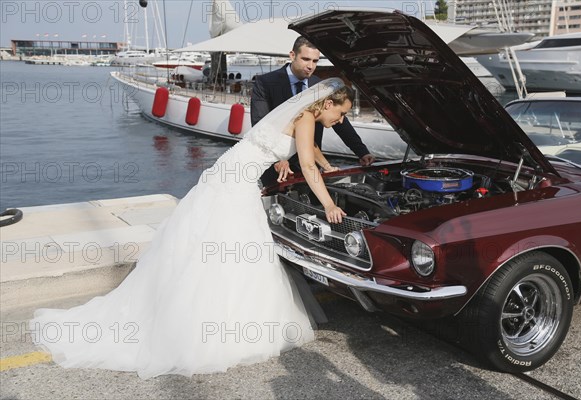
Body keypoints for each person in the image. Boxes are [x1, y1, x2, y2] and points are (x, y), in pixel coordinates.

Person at [30, 78, 352, 379]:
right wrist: (328, 204)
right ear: (326, 104)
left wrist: (328, 166)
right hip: (235, 184)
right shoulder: (307, 119)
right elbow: (306, 164)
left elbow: (310, 152)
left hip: (229, 175)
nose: (340, 121)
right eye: (341, 114)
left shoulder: (303, 115)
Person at [251, 36, 375, 185]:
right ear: (292, 55)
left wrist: (362, 152)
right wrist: (278, 159)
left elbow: (340, 121)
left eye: (315, 61)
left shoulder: (320, 85)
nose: (311, 66)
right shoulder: (265, 83)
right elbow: (260, 124)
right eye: (306, 59)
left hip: (311, 166)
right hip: (277, 170)